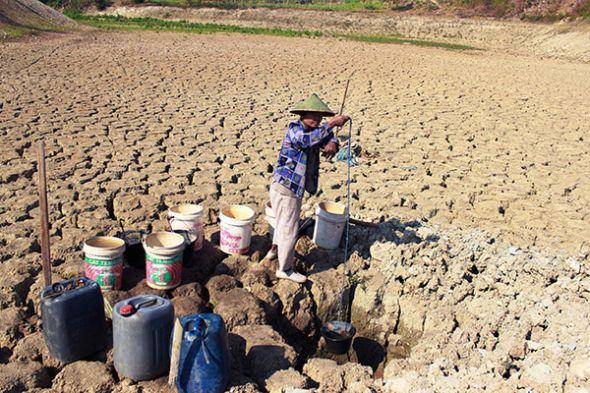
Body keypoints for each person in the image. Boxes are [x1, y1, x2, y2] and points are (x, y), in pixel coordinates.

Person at [264, 93, 350, 284]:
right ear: (303, 114)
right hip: (287, 187)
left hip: (289, 187)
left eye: (321, 116)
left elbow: (324, 141)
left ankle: (274, 250)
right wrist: (332, 124)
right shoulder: (295, 129)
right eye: (314, 115)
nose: (318, 119)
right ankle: (284, 269)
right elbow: (305, 141)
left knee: (283, 222)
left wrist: (333, 142)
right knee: (289, 228)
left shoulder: (314, 132)